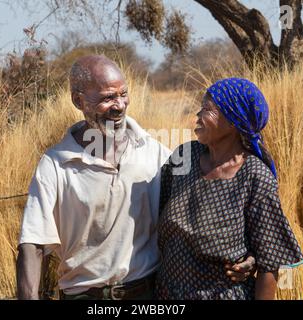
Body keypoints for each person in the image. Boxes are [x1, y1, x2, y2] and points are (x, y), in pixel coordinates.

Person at [16, 56, 255, 300]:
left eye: (123, 94)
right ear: (79, 101)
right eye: (108, 98)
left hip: (148, 294)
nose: (119, 105)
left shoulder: (156, 153)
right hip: (84, 295)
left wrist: (246, 253)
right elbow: (32, 245)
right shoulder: (56, 165)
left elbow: (202, 212)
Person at [156, 78, 303, 300]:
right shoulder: (184, 157)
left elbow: (271, 263)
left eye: (207, 109)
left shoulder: (254, 177)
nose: (197, 115)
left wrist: (252, 258)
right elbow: (157, 210)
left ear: (234, 121)